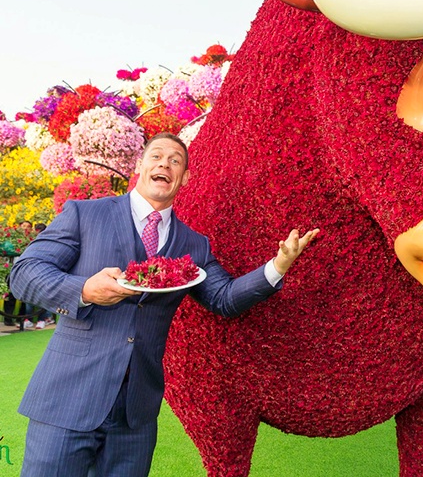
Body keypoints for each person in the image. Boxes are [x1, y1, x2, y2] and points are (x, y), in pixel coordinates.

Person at [10, 132, 319, 477]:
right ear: (140, 165)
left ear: (184, 177)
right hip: (67, 398)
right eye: (156, 156)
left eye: (175, 161)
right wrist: (84, 289)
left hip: (135, 415)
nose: (164, 164)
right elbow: (25, 273)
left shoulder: (194, 244)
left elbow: (224, 298)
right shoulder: (85, 214)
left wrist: (277, 266)